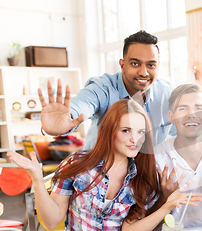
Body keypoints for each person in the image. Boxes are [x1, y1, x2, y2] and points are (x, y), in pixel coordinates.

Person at [7, 99, 201, 231]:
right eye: (126, 130)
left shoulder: (144, 176)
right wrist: (38, 180)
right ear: (110, 130)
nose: (135, 139)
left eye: (141, 132)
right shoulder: (76, 164)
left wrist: (167, 206)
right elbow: (50, 221)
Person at [39, 30, 175, 149]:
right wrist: (67, 117)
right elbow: (83, 104)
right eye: (135, 64)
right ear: (122, 65)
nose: (143, 72)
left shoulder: (167, 94)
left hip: (144, 176)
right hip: (100, 173)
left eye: (151, 65)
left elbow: (182, 134)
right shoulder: (103, 88)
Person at [154, 84, 202, 230]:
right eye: (183, 108)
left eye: (198, 108)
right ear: (171, 116)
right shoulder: (156, 158)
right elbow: (147, 223)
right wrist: (164, 199)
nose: (191, 114)